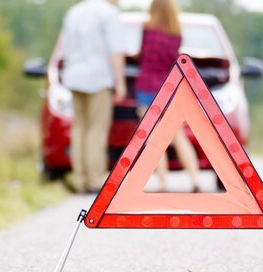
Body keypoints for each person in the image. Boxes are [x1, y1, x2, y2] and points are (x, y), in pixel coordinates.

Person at [55, 0, 127, 194]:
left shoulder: (74, 11)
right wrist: (120, 82)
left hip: (74, 76)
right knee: (97, 128)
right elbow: (116, 51)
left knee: (79, 127)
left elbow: (63, 48)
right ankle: (94, 179)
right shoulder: (109, 13)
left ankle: (79, 178)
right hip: (98, 78)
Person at [135, 0, 201, 193]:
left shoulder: (147, 29)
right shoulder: (176, 33)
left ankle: (163, 183)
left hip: (146, 87)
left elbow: (142, 56)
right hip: (169, 88)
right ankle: (195, 179)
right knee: (178, 136)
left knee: (154, 137)